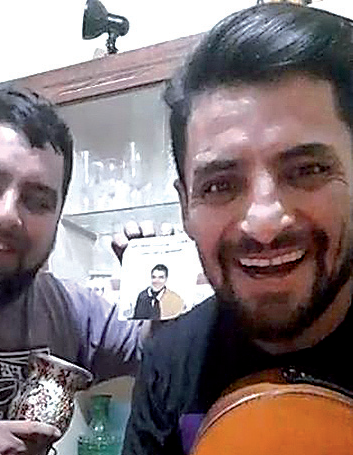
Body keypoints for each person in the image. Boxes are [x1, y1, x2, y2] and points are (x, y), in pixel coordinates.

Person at [122, 3, 353, 454]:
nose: (264, 223)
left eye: (307, 170)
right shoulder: (170, 363)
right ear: (185, 206)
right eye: (220, 185)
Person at [0, 88, 143, 455]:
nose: (7, 215)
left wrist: (154, 279)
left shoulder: (67, 310)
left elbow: (170, 349)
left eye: (38, 201)